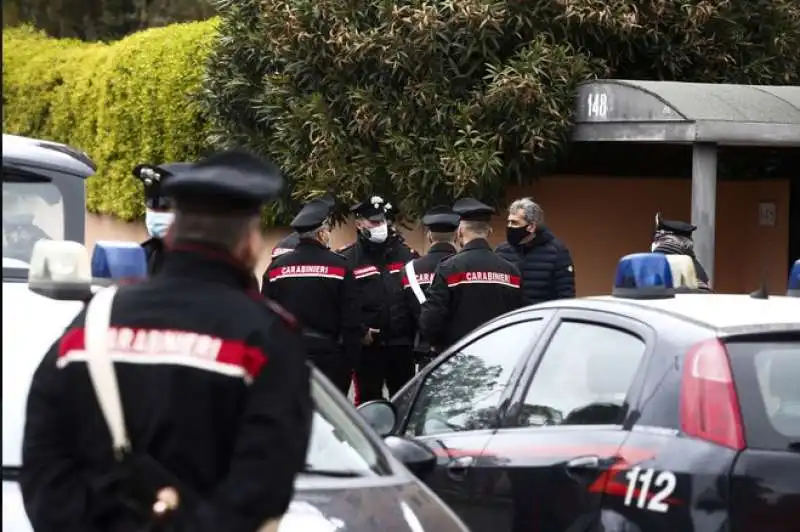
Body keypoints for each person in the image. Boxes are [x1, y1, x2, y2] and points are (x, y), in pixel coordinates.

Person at [20, 150, 313, 532]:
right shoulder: (267, 337)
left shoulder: (94, 320)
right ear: (249, 242)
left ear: (173, 234)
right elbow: (265, 483)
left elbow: (43, 458)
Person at [263, 198, 361, 394]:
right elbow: (351, 320)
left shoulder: (276, 268)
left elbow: (266, 316)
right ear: (322, 233)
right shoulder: (340, 267)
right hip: (331, 360)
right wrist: (350, 361)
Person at [338, 195, 416, 404]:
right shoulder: (348, 259)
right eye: (374, 222)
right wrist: (360, 331)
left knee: (405, 402)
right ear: (359, 224)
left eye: (382, 221)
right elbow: (345, 303)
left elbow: (416, 297)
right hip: (368, 349)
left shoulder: (406, 255)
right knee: (368, 404)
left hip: (402, 345)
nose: (380, 226)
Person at [419, 198, 523, 350]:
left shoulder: (449, 269)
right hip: (500, 357)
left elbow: (430, 321)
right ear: (489, 231)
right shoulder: (511, 272)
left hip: (459, 358)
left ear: (460, 231)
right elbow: (518, 319)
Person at [401, 206, 460, 367]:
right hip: (462, 349)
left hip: (425, 353)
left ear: (429, 236)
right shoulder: (464, 266)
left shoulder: (410, 270)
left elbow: (402, 313)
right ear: (456, 235)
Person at [494, 197, 575, 305]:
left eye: (514, 223)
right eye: (508, 222)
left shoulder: (557, 252)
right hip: (510, 319)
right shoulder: (502, 251)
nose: (509, 227)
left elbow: (566, 295)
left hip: (541, 319)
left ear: (531, 226)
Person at [132, 162, 193, 275]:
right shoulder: (144, 256)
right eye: (150, 204)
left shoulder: (214, 268)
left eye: (164, 205)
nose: (156, 212)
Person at [651, 212, 711, 291]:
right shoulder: (692, 263)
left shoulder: (667, 260)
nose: (655, 242)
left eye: (660, 238)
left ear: (671, 241)